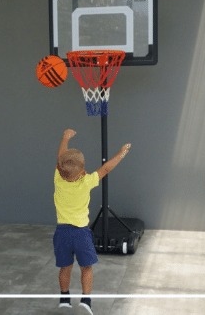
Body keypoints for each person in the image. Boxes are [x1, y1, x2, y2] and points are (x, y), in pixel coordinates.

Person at [53, 128, 131, 314]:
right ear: (81, 173)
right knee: (86, 268)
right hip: (80, 233)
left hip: (62, 233)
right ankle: (86, 300)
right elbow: (105, 168)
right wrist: (121, 154)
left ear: (60, 168)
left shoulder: (58, 178)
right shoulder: (86, 181)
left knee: (65, 267)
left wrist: (65, 137)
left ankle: (64, 297)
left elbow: (61, 157)